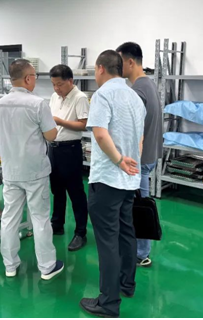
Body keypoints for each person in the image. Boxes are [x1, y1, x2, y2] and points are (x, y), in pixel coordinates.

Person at [80, 50, 146, 318]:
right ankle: (127, 285)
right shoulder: (135, 97)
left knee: (107, 241)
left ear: (100, 68)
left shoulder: (103, 95)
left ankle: (108, 302)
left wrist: (119, 160)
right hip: (130, 179)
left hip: (108, 178)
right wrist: (130, 164)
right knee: (126, 233)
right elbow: (139, 140)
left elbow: (99, 133)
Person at [0, 59, 64, 280]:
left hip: (10, 170)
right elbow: (51, 135)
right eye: (34, 76)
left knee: (9, 218)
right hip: (34, 171)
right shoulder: (37, 104)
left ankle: (10, 265)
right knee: (40, 218)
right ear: (27, 79)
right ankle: (47, 267)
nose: (35, 79)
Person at [118, 42, 163, 268]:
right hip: (150, 155)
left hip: (140, 159)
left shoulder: (137, 91)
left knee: (139, 207)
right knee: (140, 204)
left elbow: (131, 131)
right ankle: (139, 250)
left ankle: (140, 253)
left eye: (119, 62)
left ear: (130, 62)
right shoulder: (149, 84)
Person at [48, 64, 90, 251]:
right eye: (53, 84)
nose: (56, 88)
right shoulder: (54, 97)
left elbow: (83, 125)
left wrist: (60, 121)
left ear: (70, 81)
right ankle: (57, 224)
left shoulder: (80, 98)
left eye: (59, 84)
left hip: (70, 149)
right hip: (53, 149)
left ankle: (81, 232)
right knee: (56, 190)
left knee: (75, 192)